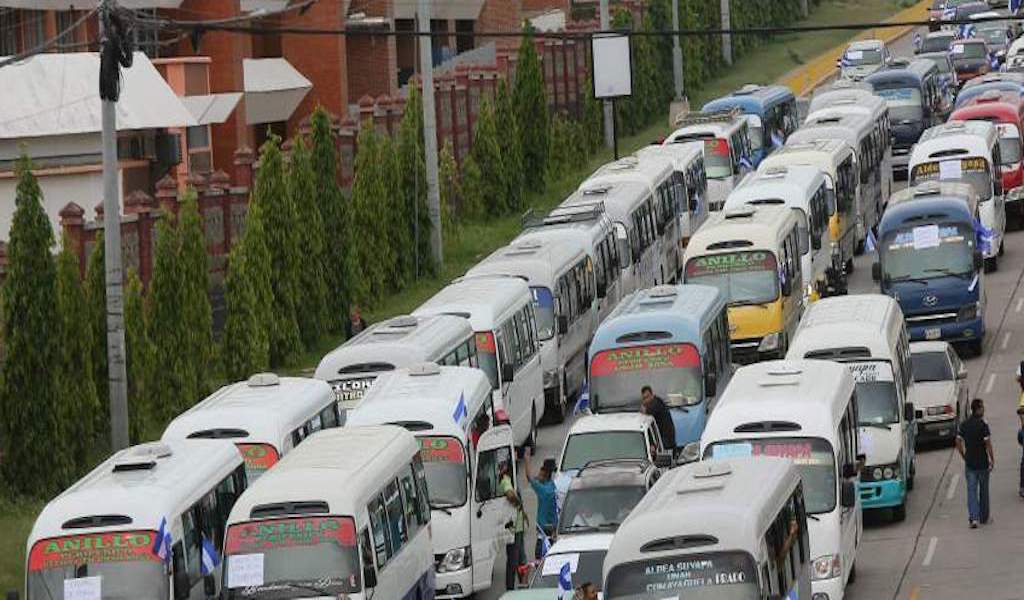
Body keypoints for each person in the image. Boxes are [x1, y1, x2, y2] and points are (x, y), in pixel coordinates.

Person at [956, 398, 995, 528]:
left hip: (970, 464)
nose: (984, 409)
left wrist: (963, 455)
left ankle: (974, 518)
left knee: (971, 491)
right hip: (983, 464)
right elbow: (988, 444)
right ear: (978, 409)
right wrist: (992, 459)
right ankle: (984, 517)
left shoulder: (964, 424)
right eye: (982, 407)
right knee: (984, 491)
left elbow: (958, 442)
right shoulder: (983, 425)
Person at [498, 460, 527, 589]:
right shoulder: (506, 479)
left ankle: (522, 586)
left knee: (521, 559)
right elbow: (510, 494)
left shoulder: (512, 480)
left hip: (518, 526)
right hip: (513, 528)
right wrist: (519, 504)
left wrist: (523, 513)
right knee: (514, 561)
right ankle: (510, 589)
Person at [524, 453, 559, 558]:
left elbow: (529, 477)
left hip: (543, 532)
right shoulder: (552, 486)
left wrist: (526, 460)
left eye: (540, 472)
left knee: (539, 559)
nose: (538, 474)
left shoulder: (542, 490)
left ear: (544, 473)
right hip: (553, 530)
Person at [641, 385, 676, 450]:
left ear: (652, 395)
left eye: (647, 397)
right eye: (644, 398)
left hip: (666, 439)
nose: (646, 400)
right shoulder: (653, 404)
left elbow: (648, 412)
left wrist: (644, 409)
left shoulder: (657, 403)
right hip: (661, 437)